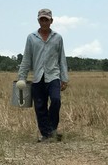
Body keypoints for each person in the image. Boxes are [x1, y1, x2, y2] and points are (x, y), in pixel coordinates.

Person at [17, 8, 69, 142]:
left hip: (53, 76)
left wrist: (64, 78)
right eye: (42, 19)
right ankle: (46, 134)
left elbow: (61, 58)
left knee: (56, 100)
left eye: (46, 19)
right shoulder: (31, 38)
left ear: (51, 21)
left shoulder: (58, 38)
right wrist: (21, 77)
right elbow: (27, 59)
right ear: (38, 21)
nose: (44, 22)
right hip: (38, 77)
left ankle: (52, 129)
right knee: (40, 106)